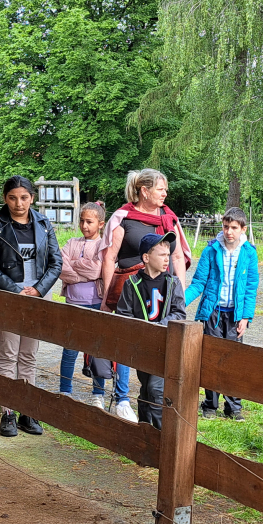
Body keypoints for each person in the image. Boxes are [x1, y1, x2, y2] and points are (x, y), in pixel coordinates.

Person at [99, 169, 191, 422]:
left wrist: (177, 293)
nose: (165, 193)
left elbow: (177, 257)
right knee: (133, 347)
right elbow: (109, 257)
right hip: (133, 292)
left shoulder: (169, 218)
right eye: (161, 189)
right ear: (145, 191)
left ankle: (155, 422)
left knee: (161, 367)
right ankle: (124, 399)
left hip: (163, 294)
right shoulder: (124, 217)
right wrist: (108, 300)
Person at [0, 175, 63, 438]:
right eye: (13, 198)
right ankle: (8, 412)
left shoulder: (43, 222)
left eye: (24, 197)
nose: (19, 203)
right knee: (7, 354)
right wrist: (15, 289)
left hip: (37, 297)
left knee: (29, 355)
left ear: (32, 198)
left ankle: (28, 410)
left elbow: (56, 261)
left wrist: (38, 290)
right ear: (5, 198)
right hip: (8, 296)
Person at [186, 206, 259, 420]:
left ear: (243, 229)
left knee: (232, 360)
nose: (229, 232)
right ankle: (210, 404)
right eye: (226, 227)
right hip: (213, 314)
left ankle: (233, 407)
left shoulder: (249, 253)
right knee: (210, 358)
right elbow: (199, 282)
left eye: (234, 228)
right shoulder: (211, 250)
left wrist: (246, 317)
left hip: (235, 315)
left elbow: (250, 288)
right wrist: (179, 301)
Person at [57, 201, 129, 410]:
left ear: (100, 224)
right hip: (73, 304)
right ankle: (65, 390)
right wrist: (80, 272)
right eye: (81, 221)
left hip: (96, 303)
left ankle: (98, 393)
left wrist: (76, 267)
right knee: (69, 348)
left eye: (89, 222)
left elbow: (99, 270)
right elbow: (61, 266)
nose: (84, 225)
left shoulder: (103, 246)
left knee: (98, 350)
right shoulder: (71, 242)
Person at [115, 231, 187, 428]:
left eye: (168, 254)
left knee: (156, 390)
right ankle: (144, 435)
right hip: (142, 347)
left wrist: (158, 328)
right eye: (162, 254)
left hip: (164, 346)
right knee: (146, 389)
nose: (167, 259)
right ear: (146, 258)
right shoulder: (132, 284)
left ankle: (159, 437)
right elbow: (124, 314)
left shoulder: (172, 283)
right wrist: (142, 331)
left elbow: (179, 313)